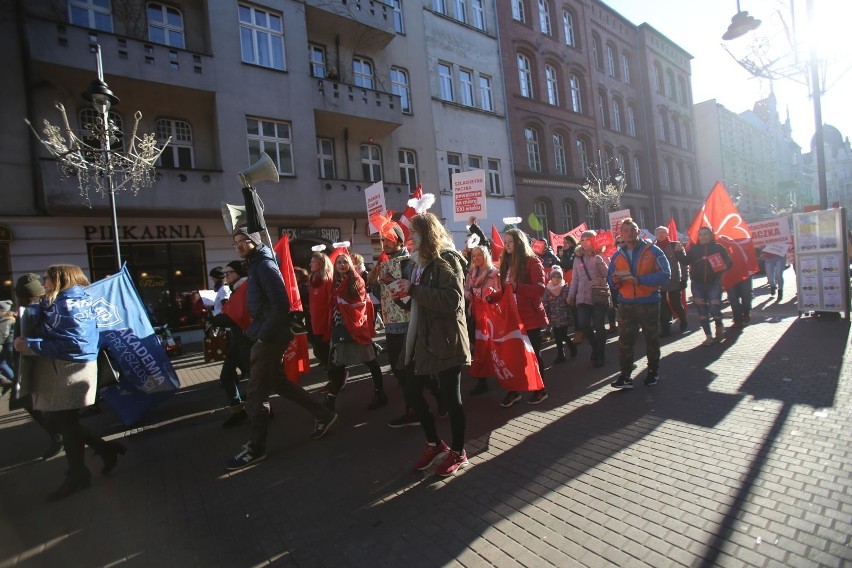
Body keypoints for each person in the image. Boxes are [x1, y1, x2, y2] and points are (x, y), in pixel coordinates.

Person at [226, 228, 337, 471]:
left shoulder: (263, 266)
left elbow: (280, 304)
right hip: (266, 334)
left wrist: (263, 335)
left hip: (270, 337)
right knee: (277, 383)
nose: (239, 246)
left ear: (254, 241)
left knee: (255, 394)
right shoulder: (256, 264)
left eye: (243, 241)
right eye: (235, 243)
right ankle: (324, 414)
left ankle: (256, 448)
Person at [13, 265, 126, 500]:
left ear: (60, 279)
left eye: (46, 278)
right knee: (62, 421)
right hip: (62, 370)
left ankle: (78, 475)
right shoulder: (62, 301)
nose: (43, 282)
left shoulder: (70, 304)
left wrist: (32, 345)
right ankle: (101, 453)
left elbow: (77, 345)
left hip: (70, 370)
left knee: (65, 422)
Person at [392, 212, 470, 477]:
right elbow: (418, 302)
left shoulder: (447, 260)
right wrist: (401, 294)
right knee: (411, 391)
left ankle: (459, 451)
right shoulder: (417, 263)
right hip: (422, 337)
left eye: (413, 232)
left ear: (427, 233)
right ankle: (435, 444)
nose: (410, 237)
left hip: (446, 338)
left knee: (451, 397)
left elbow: (452, 301)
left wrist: (413, 290)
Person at [607, 218, 671, 389]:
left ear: (638, 231)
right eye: (625, 230)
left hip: (648, 302)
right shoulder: (617, 255)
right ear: (620, 234)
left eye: (631, 230)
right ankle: (625, 375)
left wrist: (640, 280)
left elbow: (665, 274)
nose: (628, 233)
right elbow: (610, 280)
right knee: (625, 340)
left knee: (651, 339)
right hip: (626, 304)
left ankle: (652, 372)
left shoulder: (653, 251)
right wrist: (615, 281)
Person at [323, 252, 387, 412]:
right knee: (337, 365)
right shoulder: (334, 282)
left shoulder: (356, 280)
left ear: (350, 264)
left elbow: (360, 303)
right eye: (339, 263)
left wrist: (344, 303)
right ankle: (330, 401)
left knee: (370, 362)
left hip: (355, 328)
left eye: (345, 262)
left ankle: (380, 394)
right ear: (335, 267)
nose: (342, 265)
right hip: (340, 328)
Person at [10, 274, 63, 459]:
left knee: (42, 409)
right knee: (46, 409)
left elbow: (29, 342)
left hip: (35, 367)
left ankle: (60, 438)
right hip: (35, 366)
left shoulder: (33, 312)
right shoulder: (39, 309)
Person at [373, 222, 421, 427]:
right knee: (398, 368)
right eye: (383, 239)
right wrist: (376, 281)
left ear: (399, 240)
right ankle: (433, 399)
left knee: (406, 369)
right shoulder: (384, 262)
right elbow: (379, 294)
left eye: (389, 239)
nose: (385, 243)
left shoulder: (408, 262)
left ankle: (414, 410)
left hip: (407, 322)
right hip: (391, 323)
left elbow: (412, 291)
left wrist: (391, 279)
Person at [497, 228, 548, 406]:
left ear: (519, 242)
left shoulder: (532, 261)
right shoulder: (505, 263)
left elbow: (540, 289)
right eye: (505, 242)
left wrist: (519, 287)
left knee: (533, 355)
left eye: (510, 242)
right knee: (512, 357)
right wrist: (493, 297)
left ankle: (540, 390)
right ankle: (514, 391)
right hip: (512, 319)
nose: (507, 245)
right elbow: (505, 290)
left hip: (531, 318)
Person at [211, 260, 253, 428]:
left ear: (240, 273)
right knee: (226, 376)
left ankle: (264, 411)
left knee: (259, 379)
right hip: (237, 340)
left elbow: (238, 316)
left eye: (230, 273)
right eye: (225, 273)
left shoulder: (244, 288)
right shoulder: (235, 289)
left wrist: (214, 319)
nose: (226, 276)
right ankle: (238, 411)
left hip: (248, 340)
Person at [568, 230, 610, 368]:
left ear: (593, 240)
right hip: (583, 296)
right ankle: (595, 347)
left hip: (598, 295)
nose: (584, 242)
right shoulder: (577, 258)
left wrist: (600, 261)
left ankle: (601, 354)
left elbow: (607, 274)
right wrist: (571, 295)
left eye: (587, 239)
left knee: (599, 325)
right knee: (583, 324)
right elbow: (575, 279)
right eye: (582, 239)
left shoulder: (601, 255)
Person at [685, 226, 733, 346]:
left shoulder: (718, 247)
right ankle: (708, 336)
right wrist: (678, 252)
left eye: (705, 234)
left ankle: (719, 326)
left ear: (711, 235)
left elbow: (729, 262)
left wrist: (721, 268)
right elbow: (685, 261)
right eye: (700, 234)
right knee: (702, 311)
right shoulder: (694, 249)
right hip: (697, 284)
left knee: (714, 308)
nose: (703, 237)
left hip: (714, 283)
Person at [464, 244, 501, 395]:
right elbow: (465, 289)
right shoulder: (471, 273)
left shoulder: (494, 273)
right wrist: (468, 295)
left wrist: (490, 296)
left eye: (479, 255)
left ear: (485, 256)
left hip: (490, 315)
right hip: (475, 313)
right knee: (479, 345)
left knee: (490, 345)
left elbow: (499, 291)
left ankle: (489, 376)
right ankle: (483, 377)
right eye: (474, 256)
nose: (476, 258)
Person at [653, 226, 689, 336]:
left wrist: (684, 278)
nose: (661, 234)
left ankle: (683, 319)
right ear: (655, 235)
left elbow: (683, 263)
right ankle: (665, 329)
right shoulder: (652, 248)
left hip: (674, 280)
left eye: (663, 232)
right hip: (659, 282)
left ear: (667, 233)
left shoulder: (675, 245)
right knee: (662, 306)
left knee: (675, 303)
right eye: (658, 233)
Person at [543, 265, 576, 364]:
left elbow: (570, 300)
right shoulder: (548, 290)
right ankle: (561, 355)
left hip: (564, 316)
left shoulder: (565, 288)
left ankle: (571, 346)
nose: (556, 279)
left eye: (558, 277)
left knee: (563, 335)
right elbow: (545, 302)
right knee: (557, 338)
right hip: (553, 317)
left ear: (561, 278)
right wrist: (544, 312)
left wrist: (570, 301)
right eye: (554, 276)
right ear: (551, 278)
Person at [309, 251, 333, 369]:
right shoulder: (313, 277)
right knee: (318, 347)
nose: (310, 264)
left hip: (324, 320)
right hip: (314, 319)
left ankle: (333, 368)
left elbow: (331, 300)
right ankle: (327, 363)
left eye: (313, 261)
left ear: (320, 263)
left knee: (321, 348)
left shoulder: (328, 278)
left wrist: (329, 319)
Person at [0, 300, 15, 394]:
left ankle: (14, 381)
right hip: (11, 343)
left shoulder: (5, 319)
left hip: (8, 344)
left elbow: (4, 334)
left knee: (4, 363)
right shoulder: (12, 317)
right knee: (6, 363)